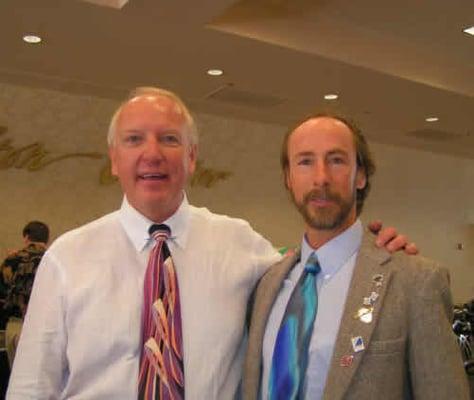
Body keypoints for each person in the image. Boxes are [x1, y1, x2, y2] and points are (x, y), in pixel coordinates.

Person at [8, 88, 414, 399]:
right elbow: (29, 388)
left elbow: (318, 269)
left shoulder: (242, 245)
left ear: (192, 157)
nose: (152, 154)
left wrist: (376, 253)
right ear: (114, 159)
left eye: (169, 139)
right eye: (134, 140)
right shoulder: (66, 258)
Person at [242, 113, 470, 399]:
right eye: (305, 161)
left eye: (336, 160)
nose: (321, 177)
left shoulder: (415, 282)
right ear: (289, 178)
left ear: (360, 175)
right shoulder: (266, 285)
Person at [0, 221, 49, 367]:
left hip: (17, 325)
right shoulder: (54, 259)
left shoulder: (11, 260)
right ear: (47, 239)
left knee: (18, 379)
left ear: (26, 237)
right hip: (45, 328)